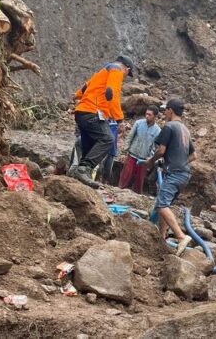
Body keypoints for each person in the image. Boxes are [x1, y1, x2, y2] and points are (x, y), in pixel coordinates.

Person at [69, 55, 134, 188]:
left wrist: (77, 98)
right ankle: (83, 170)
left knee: (91, 143)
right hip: (93, 113)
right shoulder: (116, 70)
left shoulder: (101, 73)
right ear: (126, 69)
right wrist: (119, 119)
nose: (125, 76)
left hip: (81, 113)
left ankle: (76, 173)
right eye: (127, 74)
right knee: (108, 139)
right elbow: (111, 93)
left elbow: (81, 91)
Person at [146, 98, 196, 256]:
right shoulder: (185, 130)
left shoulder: (169, 126)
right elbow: (193, 156)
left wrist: (150, 161)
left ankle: (181, 237)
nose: (164, 113)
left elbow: (161, 150)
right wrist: (180, 162)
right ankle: (161, 236)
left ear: (171, 111)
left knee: (161, 205)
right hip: (184, 174)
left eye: (165, 110)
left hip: (174, 173)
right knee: (163, 205)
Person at [118, 105, 161, 193]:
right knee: (124, 178)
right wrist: (123, 152)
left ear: (155, 116)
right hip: (132, 156)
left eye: (149, 115)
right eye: (146, 114)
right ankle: (118, 193)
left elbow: (155, 147)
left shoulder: (158, 130)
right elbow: (129, 138)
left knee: (139, 183)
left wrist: (151, 160)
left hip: (143, 160)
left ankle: (135, 200)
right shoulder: (138, 123)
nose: (147, 116)